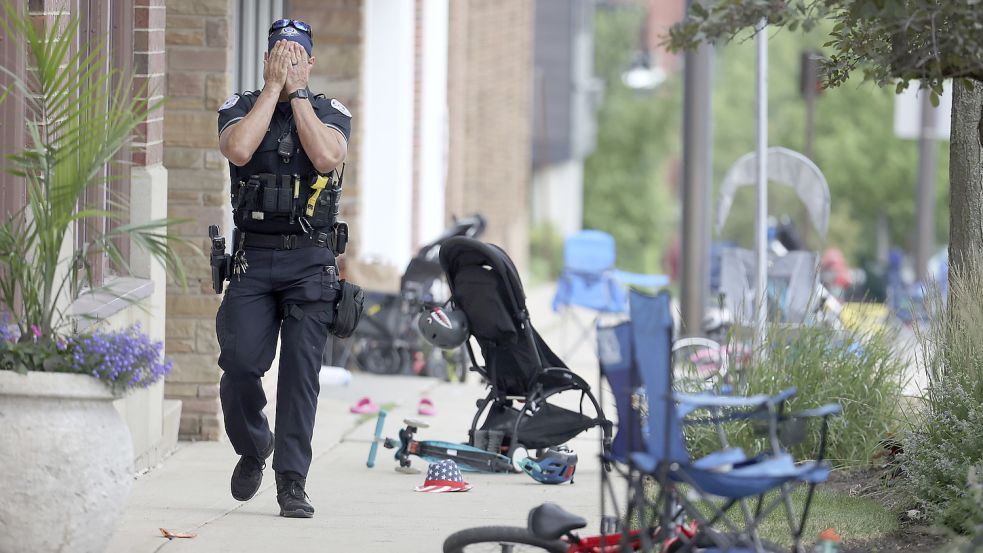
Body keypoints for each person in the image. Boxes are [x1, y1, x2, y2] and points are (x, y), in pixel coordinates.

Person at [215, 18, 351, 519]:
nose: (289, 60)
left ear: (311, 61)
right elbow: (239, 149)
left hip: (310, 261)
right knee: (239, 365)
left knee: (300, 377)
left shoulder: (329, 111)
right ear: (267, 58)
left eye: (298, 54)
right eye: (280, 53)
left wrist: (296, 96)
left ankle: (292, 482)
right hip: (254, 259)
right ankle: (254, 447)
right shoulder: (240, 106)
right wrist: (273, 89)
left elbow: (324, 156)